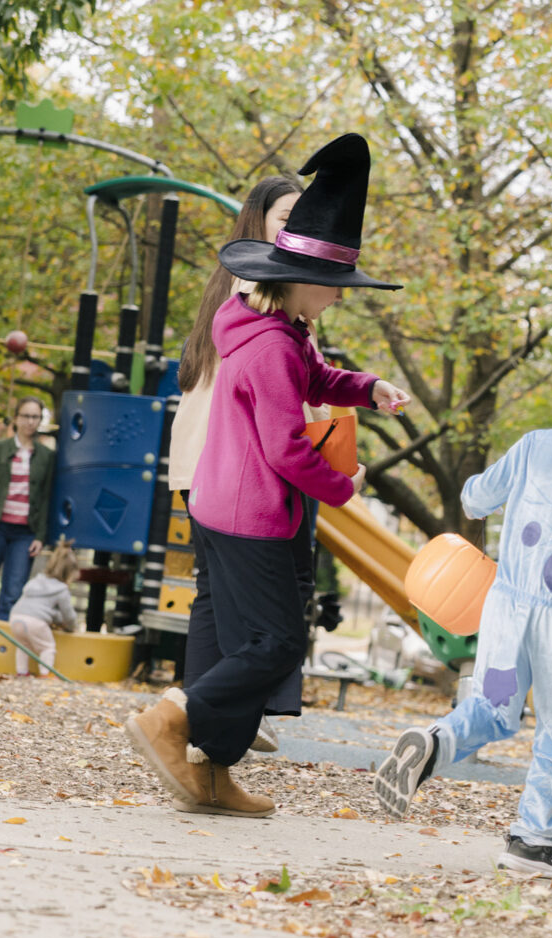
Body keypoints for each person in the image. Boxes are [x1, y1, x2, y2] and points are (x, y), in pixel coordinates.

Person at [125, 133, 409, 819]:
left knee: (238, 637)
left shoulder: (266, 328)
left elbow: (318, 376)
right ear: (302, 280)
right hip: (252, 510)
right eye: (333, 288)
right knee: (276, 640)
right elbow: (286, 449)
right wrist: (346, 488)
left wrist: (365, 388)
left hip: (225, 506)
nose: (338, 300)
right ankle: (172, 716)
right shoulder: (273, 348)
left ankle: (214, 774)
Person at [373, 318, 552, 880]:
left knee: (492, 708)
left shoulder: (534, 446)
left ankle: (436, 741)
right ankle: (532, 839)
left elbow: (475, 497)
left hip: (507, 604)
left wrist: (490, 497)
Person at [171, 175, 305, 754]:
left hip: (203, 461)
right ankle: (208, 713)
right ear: (256, 220)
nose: (294, 228)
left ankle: (205, 727)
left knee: (214, 595)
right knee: (271, 609)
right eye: (285, 216)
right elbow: (277, 381)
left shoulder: (234, 281)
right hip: (231, 464)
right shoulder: (260, 281)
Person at [0, 397, 53, 620]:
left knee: (13, 593)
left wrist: (41, 536)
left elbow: (45, 499)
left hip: (24, 534)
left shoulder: (46, 456)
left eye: (35, 417)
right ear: (16, 418)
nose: (30, 422)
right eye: (25, 416)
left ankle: (3, 647)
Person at [7, 539, 79, 677]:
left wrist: (56, 619)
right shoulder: (61, 589)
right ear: (69, 573)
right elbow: (68, 614)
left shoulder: (36, 580)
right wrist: (71, 627)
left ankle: (21, 672)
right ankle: (45, 674)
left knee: (23, 645)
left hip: (16, 617)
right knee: (47, 648)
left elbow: (43, 608)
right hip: (36, 621)